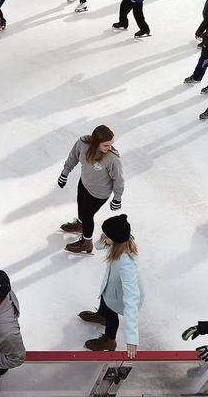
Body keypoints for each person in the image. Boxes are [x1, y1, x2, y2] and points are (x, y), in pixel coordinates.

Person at [78, 214, 142, 355]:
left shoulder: (126, 263)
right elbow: (99, 246)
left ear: (115, 238)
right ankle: (101, 315)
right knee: (104, 299)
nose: (103, 236)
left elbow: (132, 298)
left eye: (106, 236)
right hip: (111, 287)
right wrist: (104, 238)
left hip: (121, 295)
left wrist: (132, 337)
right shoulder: (119, 242)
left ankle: (109, 339)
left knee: (111, 313)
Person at [58, 125, 124, 254]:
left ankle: (86, 243)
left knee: (88, 214)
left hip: (100, 193)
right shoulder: (82, 144)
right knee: (81, 207)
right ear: (95, 143)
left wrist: (117, 198)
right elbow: (73, 157)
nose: (109, 147)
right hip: (84, 183)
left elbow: (118, 179)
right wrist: (64, 173)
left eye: (111, 144)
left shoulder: (112, 158)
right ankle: (81, 225)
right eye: (106, 145)